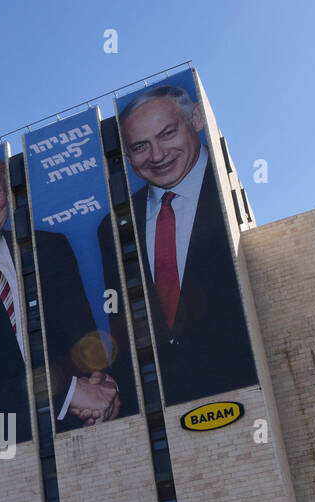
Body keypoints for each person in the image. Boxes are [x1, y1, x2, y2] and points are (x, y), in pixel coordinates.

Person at [0, 155, 123, 455]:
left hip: (83, 427)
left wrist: (103, 384)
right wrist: (70, 395)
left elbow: (85, 334)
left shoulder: (50, 247)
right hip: (3, 444)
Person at [98, 84, 258, 407]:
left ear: (196, 118)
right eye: (140, 146)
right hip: (164, 406)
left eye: (167, 133)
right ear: (127, 156)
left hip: (244, 396)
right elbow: (122, 329)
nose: (157, 156)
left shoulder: (222, 190)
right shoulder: (112, 228)